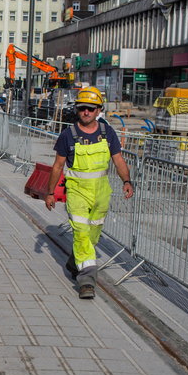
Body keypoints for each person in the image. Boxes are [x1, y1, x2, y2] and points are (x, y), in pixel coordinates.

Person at [44, 86, 133, 299]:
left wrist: (127, 181)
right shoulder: (68, 135)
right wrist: (49, 193)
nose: (86, 112)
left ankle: (76, 260)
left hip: (101, 193)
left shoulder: (107, 132)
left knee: (92, 235)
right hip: (77, 192)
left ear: (98, 110)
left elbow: (118, 159)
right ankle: (87, 280)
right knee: (81, 233)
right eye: (82, 108)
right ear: (77, 110)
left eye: (91, 109)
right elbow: (57, 166)